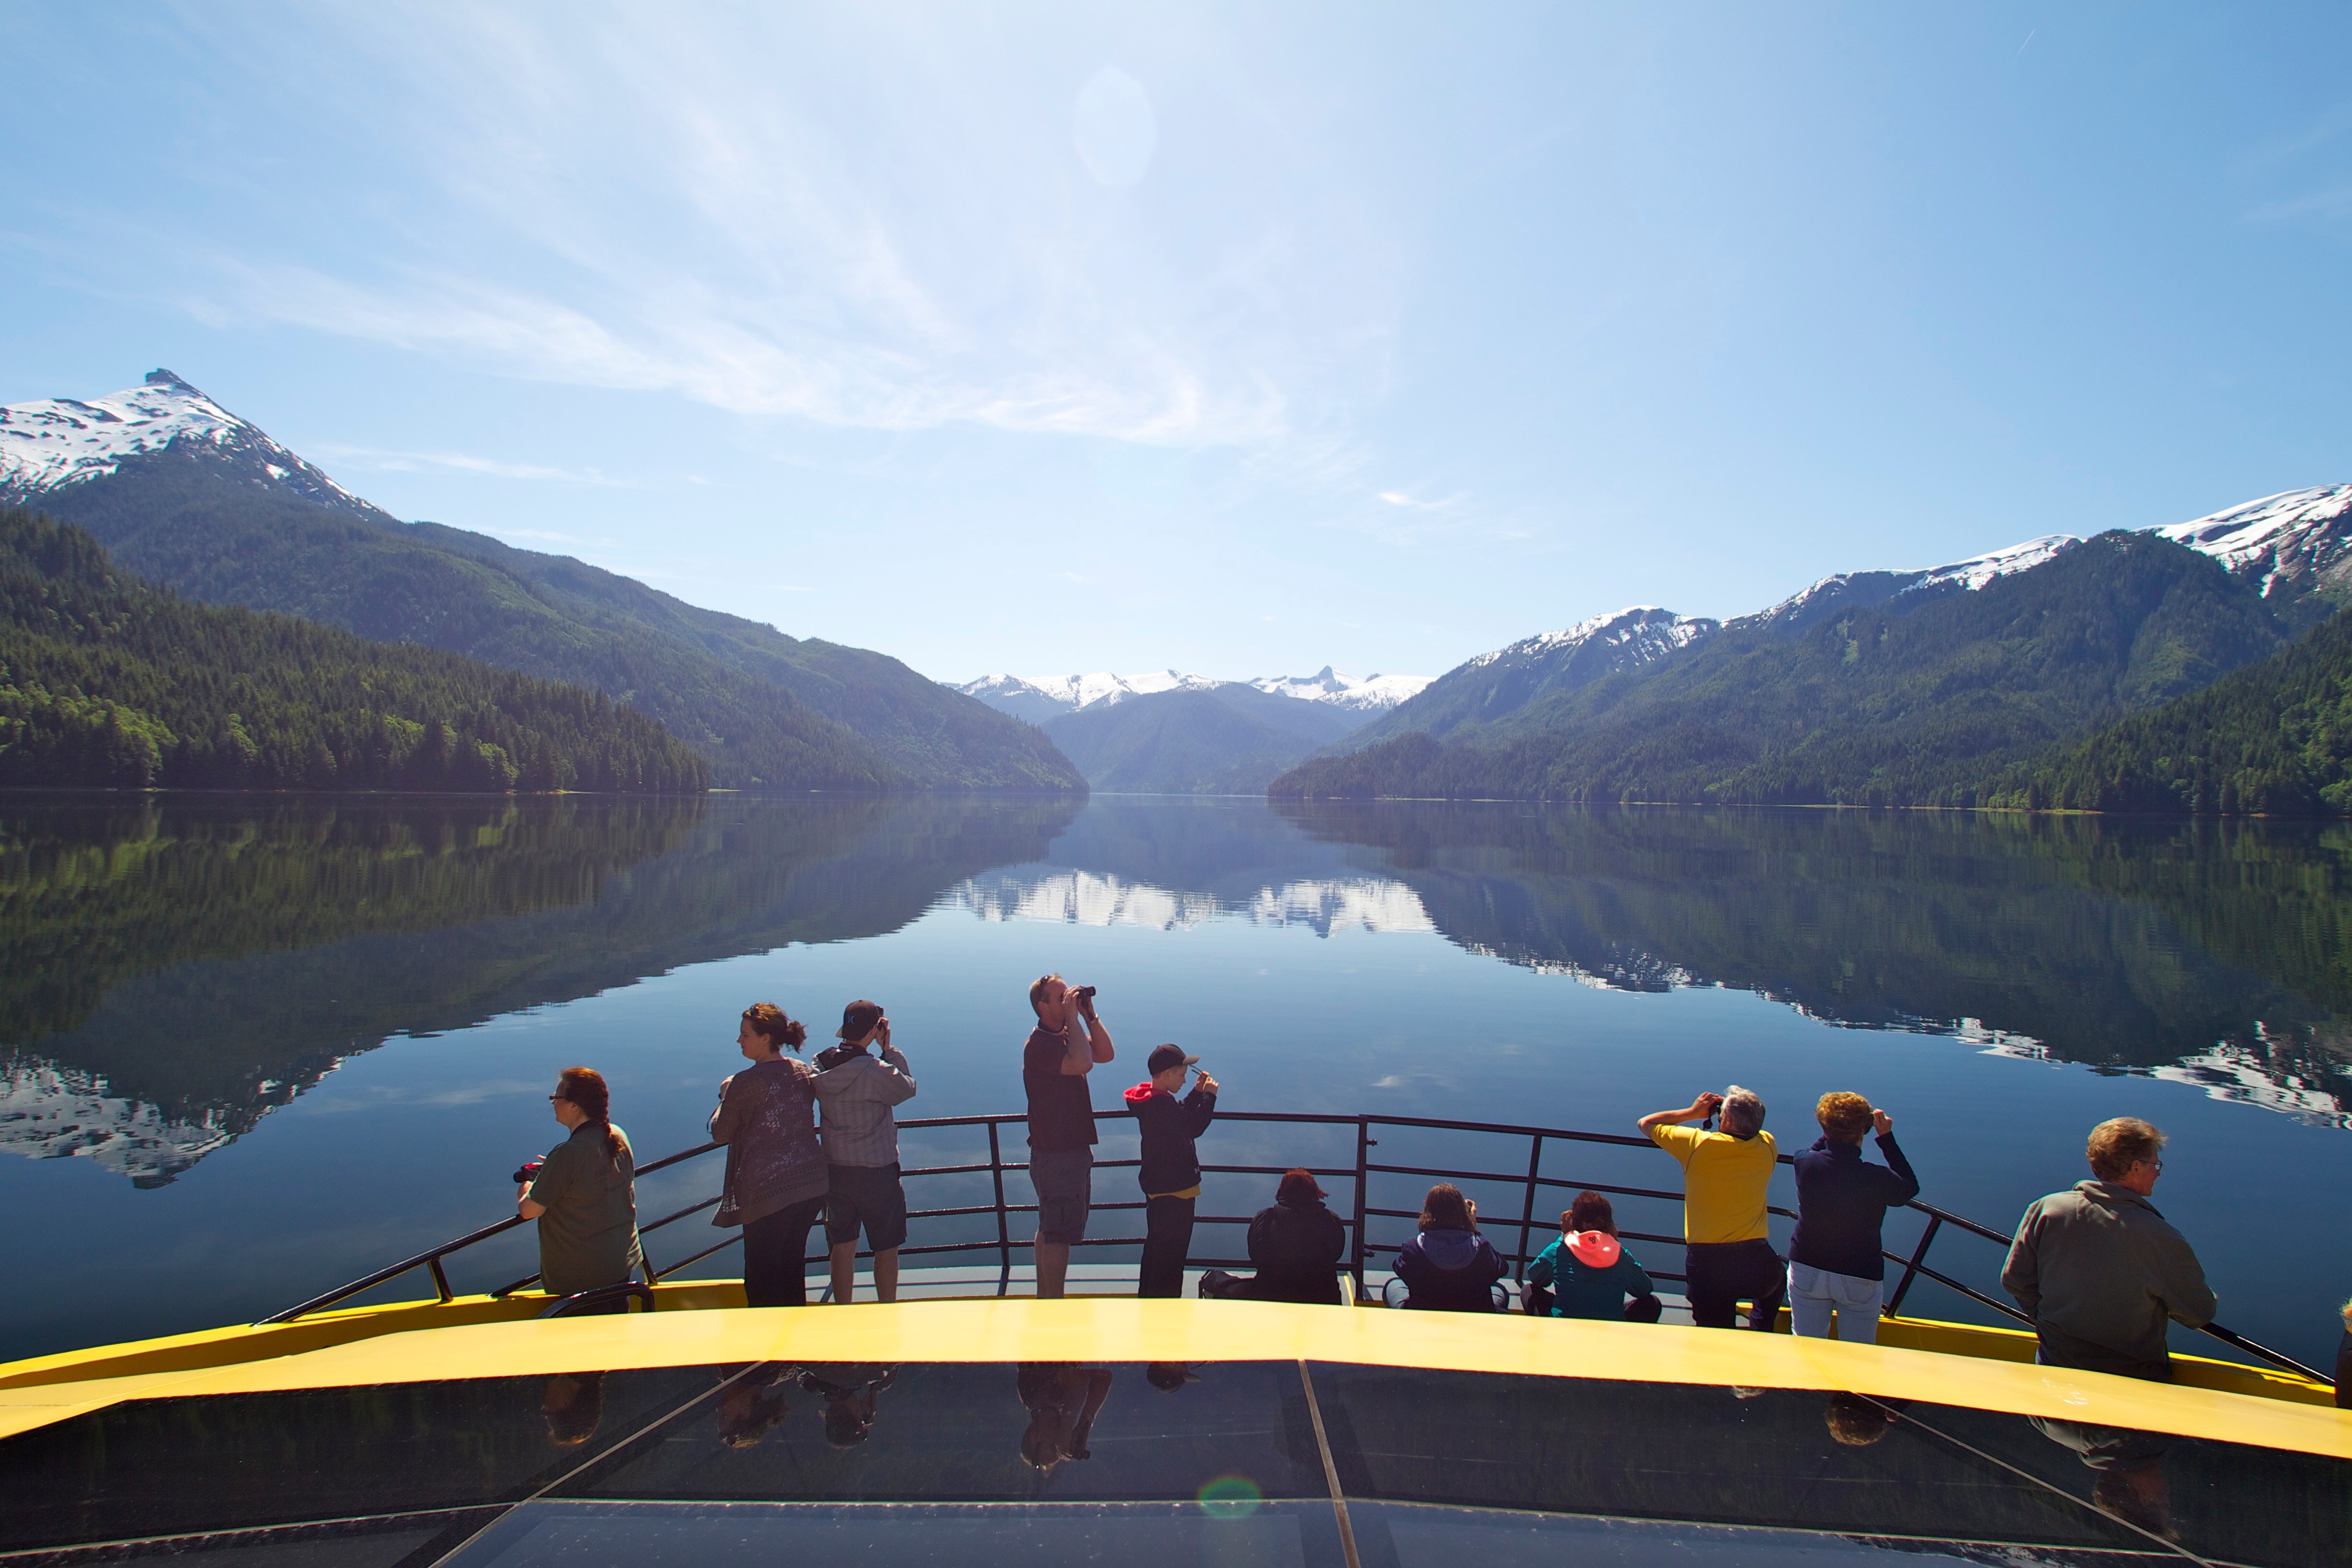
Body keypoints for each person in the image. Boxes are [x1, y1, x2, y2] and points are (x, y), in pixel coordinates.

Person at [2000, 1117, 2215, 1381]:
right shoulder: (2159, 1236)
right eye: (2155, 1164)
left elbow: (2015, 1280)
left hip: (2054, 1366)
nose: (2158, 1172)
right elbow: (2199, 1312)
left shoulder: (2047, 1209)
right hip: (2131, 1380)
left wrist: (2049, 1324)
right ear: (2136, 1168)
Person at [709, 1004, 828, 1308]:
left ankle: (768, 1350)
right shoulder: (802, 1071)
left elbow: (721, 1133)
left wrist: (725, 1097)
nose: (739, 1040)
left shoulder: (745, 1082)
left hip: (767, 1194)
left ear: (765, 1038)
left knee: (761, 1279)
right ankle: (797, 1347)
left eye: (745, 1034)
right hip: (810, 1186)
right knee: (791, 1269)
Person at [1639, 1087, 1783, 1331]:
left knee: (1714, 1335)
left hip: (1710, 1265)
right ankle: (1762, 1331)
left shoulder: (1698, 1145)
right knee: (1776, 1281)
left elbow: (1647, 1123)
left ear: (1724, 1119)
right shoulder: (1767, 1145)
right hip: (1758, 1262)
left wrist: (1693, 1112)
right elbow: (1750, 1129)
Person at [1787, 1093, 1920, 1345]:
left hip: (1807, 1266)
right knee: (1859, 1355)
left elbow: (1815, 1150)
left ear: (1824, 1128)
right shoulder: (1876, 1178)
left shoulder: (1805, 1163)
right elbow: (1909, 1188)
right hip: (1860, 1273)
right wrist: (1886, 1138)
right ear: (1865, 1131)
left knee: (1806, 1348)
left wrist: (1833, 1128)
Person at [813, 999, 918, 1304]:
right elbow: (907, 1088)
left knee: (842, 1246)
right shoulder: (876, 1070)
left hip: (836, 1171)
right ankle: (886, 1309)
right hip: (878, 1172)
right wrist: (889, 1049)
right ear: (874, 1029)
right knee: (886, 1248)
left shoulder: (819, 1066)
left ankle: (844, 1309)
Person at [1022, 975, 1115, 1298]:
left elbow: (1104, 1054)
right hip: (1057, 1153)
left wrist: (1089, 1015)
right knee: (1058, 1235)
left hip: (1066, 1151)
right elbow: (1083, 1063)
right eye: (1060, 998)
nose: (1067, 1002)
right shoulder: (1040, 1046)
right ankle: (1054, 1304)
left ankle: (1044, 1296)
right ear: (1042, 1006)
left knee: (1051, 1227)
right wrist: (1074, 1020)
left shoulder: (1064, 1036)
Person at [519, 1066, 643, 1306]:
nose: (553, 1103)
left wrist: (527, 1187)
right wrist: (554, 1170)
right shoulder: (617, 1135)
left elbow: (529, 1211)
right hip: (621, 1263)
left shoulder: (569, 1155)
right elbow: (594, 1178)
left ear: (575, 1105)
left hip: (583, 1279)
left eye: (557, 1098)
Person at [1122, 1043, 1219, 1298]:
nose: (1185, 1080)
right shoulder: (1160, 1107)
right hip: (1176, 1192)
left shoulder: (1154, 1102)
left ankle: (1148, 1299)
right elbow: (1193, 1126)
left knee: (1156, 1250)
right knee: (1172, 1259)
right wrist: (1209, 1097)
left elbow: (1179, 1116)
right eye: (1181, 1075)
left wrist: (1197, 1094)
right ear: (1166, 1075)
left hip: (1160, 1190)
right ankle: (1166, 1308)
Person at [1199, 1169, 1349, 1304]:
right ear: (1315, 1193)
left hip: (1271, 1296)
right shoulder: (1332, 1220)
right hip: (1324, 1298)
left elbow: (1256, 1256)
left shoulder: (1266, 1218)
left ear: (1282, 1192)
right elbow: (1336, 1254)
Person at [1526, 1190, 1662, 1323]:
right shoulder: (1620, 1253)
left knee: (1529, 1291)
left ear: (1575, 1221)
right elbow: (1645, 1289)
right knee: (1652, 1303)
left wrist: (1565, 1235)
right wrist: (1613, 1240)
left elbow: (1535, 1276)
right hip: (1610, 1330)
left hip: (1565, 1329)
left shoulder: (1560, 1248)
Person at [1393, 1183, 1507, 1311]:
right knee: (1499, 1291)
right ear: (1464, 1214)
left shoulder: (1413, 1248)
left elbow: (1399, 1268)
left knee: (1393, 1286)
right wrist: (1474, 1229)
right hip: (1471, 1318)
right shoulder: (1481, 1248)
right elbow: (1502, 1268)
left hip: (1426, 1317)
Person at [1016, 1362, 1115, 1472]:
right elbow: (1103, 1377)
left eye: (1055, 1445)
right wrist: (1084, 1426)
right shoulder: (1063, 1404)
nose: (1061, 1439)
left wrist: (1066, 1427)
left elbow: (1075, 1380)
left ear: (1036, 1437)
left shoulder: (1032, 1397)